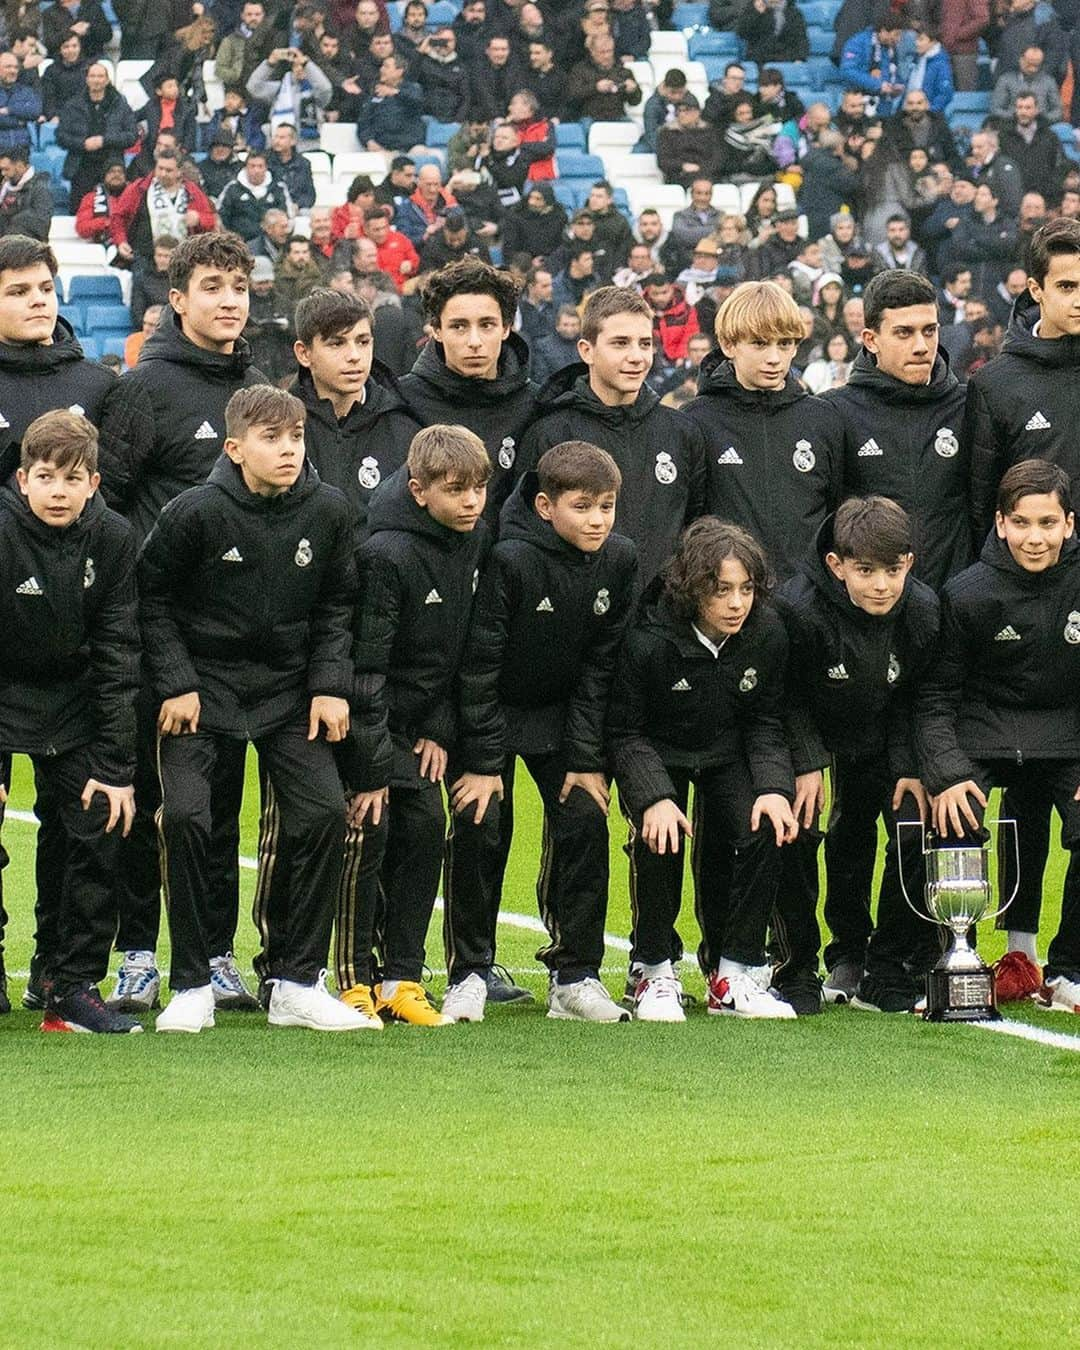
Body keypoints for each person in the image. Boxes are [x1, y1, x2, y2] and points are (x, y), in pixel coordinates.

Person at [140, 385, 370, 1033]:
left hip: (289, 692)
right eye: (272, 439)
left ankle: (296, 982)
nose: (288, 450)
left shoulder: (328, 511)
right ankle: (191, 984)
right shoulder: (194, 512)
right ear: (236, 447)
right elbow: (151, 598)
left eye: (296, 437)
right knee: (185, 817)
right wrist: (178, 680)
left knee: (325, 812)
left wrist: (329, 683)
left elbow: (337, 604)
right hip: (202, 691)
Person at [97, 232, 268, 1011]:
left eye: (238, 286)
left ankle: (214, 953)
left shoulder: (260, 389)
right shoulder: (143, 388)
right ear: (179, 299)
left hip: (231, 641)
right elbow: (109, 500)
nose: (229, 300)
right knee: (144, 797)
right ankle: (137, 951)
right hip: (151, 631)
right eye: (212, 286)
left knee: (217, 808)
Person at [441, 440, 636, 1023]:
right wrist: (479, 761)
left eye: (606, 506)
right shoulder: (511, 560)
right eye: (583, 506)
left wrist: (584, 758)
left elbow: (600, 666)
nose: (597, 519)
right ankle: (469, 972)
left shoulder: (620, 560)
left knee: (584, 815)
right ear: (547, 507)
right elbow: (479, 666)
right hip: (493, 712)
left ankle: (575, 977)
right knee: (482, 822)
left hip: (562, 716)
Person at [608, 517, 799, 1019]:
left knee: (767, 824)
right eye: (721, 591)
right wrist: (653, 797)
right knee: (661, 834)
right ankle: (651, 969)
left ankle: (735, 974)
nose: (737, 603)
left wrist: (775, 788)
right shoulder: (647, 638)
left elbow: (765, 720)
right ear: (693, 589)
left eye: (746, 589)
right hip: (657, 751)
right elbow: (625, 731)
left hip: (726, 752)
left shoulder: (768, 633)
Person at [916, 458, 1080, 1015]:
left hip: (1066, 737)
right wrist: (945, 773)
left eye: (1048, 523)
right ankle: (936, 965)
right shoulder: (966, 594)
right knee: (944, 817)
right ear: (1001, 524)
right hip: (983, 735)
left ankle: (1069, 972)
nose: (1036, 538)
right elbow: (935, 697)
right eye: (1023, 523)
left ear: (1069, 524)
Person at [0, 410, 141, 1032]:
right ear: (23, 480)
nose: (59, 491)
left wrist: (115, 768)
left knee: (97, 823)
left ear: (95, 483)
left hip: (75, 700)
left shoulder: (113, 538)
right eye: (46, 477)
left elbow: (118, 652)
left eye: (73, 478)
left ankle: (69, 985)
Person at [772, 496, 940, 1014]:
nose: (881, 585)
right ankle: (800, 965)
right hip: (805, 732)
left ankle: (886, 965)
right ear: (836, 565)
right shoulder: (797, 609)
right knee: (797, 828)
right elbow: (784, 695)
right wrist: (807, 763)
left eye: (893, 570)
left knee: (909, 823)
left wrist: (911, 767)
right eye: (865, 571)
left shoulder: (923, 609)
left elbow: (919, 694)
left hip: (883, 732)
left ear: (909, 563)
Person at [349, 425, 492, 1026]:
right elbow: (366, 667)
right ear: (417, 491)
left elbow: (459, 650)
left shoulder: (474, 541)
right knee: (369, 828)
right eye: (456, 489)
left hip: (420, 724)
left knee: (429, 822)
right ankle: (353, 979)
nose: (471, 501)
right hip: (367, 721)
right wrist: (371, 767)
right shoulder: (385, 554)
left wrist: (439, 726)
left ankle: (403, 978)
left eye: (480, 488)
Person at [520, 286, 706, 591]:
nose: (637, 357)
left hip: (661, 624)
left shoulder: (681, 432)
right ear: (586, 350)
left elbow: (696, 529)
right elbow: (529, 537)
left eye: (644, 344)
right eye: (620, 343)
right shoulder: (551, 434)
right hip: (580, 621)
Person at [683, 281, 844, 584]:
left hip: (807, 603)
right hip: (729, 601)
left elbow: (836, 516)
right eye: (759, 343)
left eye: (784, 344)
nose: (774, 358)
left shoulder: (823, 418)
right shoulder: (697, 420)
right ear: (729, 344)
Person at [824, 269, 971, 592]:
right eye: (904, 333)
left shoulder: (969, 405)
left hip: (955, 607)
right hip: (872, 611)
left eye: (929, 331)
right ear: (871, 339)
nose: (921, 346)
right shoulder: (834, 412)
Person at [399, 258, 538, 530]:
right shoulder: (403, 401)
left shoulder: (535, 405)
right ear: (436, 330)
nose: (474, 342)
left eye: (486, 325)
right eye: (459, 326)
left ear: (506, 328)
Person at [292, 288, 419, 535]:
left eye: (363, 342)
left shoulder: (403, 428)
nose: (354, 356)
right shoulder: (281, 427)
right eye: (337, 343)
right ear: (304, 353)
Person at [109, 149, 215, 269]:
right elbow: (117, 217)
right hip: (144, 259)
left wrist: (199, 218)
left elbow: (211, 220)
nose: (163, 173)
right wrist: (121, 241)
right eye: (160, 168)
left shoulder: (191, 192)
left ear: (179, 172)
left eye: (168, 170)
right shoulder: (140, 188)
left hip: (183, 260)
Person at [56, 62, 139, 212]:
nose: (96, 80)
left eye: (100, 76)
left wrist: (104, 140)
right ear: (87, 79)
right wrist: (82, 144)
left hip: (112, 165)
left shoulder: (120, 105)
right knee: (79, 211)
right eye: (93, 76)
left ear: (107, 80)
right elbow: (61, 136)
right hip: (81, 166)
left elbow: (132, 135)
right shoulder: (73, 105)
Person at [217, 149, 294, 243]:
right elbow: (219, 217)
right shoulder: (232, 188)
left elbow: (288, 216)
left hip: (272, 243)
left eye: (260, 166)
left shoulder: (278, 188)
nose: (256, 170)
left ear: (266, 168)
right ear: (245, 168)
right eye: (252, 166)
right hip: (239, 243)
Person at [0, 145, 52, 239]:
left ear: (20, 166)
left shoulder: (40, 188)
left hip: (28, 247)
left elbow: (42, 223)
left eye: (6, 169)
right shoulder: (4, 187)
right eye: (2, 170)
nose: (3, 173)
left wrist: (13, 219)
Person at [266, 122, 316, 210]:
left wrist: (298, 205)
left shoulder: (303, 164)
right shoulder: (265, 161)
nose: (277, 141)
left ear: (293, 141)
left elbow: (310, 195)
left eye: (282, 138)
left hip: (296, 207)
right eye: (275, 137)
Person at [529, 305, 581, 385]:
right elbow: (540, 377)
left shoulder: (585, 346)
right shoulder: (543, 346)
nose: (569, 329)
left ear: (579, 326)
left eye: (573, 325)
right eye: (565, 325)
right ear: (557, 326)